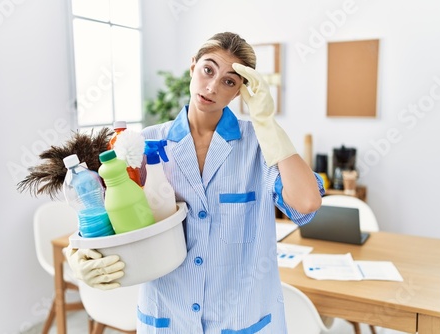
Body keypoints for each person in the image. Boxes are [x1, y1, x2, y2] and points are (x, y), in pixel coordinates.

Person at [65, 32, 324, 333]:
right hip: (168, 317)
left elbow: (306, 202)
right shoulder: (144, 142)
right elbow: (104, 212)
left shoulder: (261, 145)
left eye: (229, 81)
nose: (212, 86)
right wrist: (77, 255)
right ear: (192, 67)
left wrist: (267, 123)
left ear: (240, 92)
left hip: (243, 320)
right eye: (208, 70)